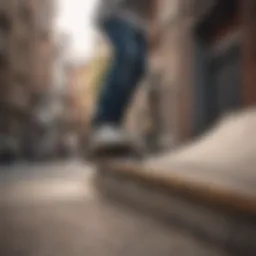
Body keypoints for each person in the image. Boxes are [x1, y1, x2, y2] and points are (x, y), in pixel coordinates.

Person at [90, 0, 159, 153]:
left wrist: (153, 24)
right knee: (127, 56)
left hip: (140, 22)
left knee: (139, 68)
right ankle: (104, 122)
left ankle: (114, 125)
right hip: (116, 11)